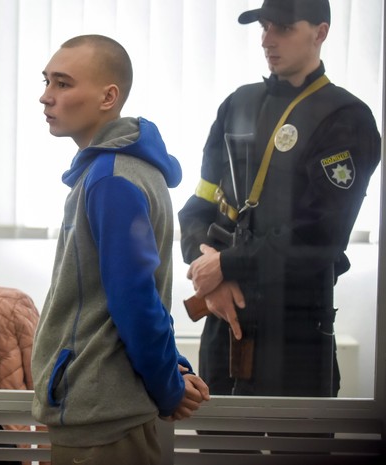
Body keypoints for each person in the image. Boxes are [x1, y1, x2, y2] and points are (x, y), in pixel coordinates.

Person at [178, 0, 381, 400]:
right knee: (222, 450)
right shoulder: (237, 104)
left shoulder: (346, 117)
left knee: (297, 450)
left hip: (297, 332)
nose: (267, 40)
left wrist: (226, 264)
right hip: (224, 319)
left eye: (283, 29)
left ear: (320, 33)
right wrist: (210, 276)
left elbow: (321, 236)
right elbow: (198, 206)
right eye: (265, 27)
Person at [30, 34, 209, 465]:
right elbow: (128, 292)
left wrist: (168, 385)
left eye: (62, 83)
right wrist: (173, 368)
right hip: (104, 406)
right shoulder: (117, 171)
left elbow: (135, 300)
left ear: (109, 96)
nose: (45, 97)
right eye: (46, 81)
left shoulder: (112, 179)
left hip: (100, 416)